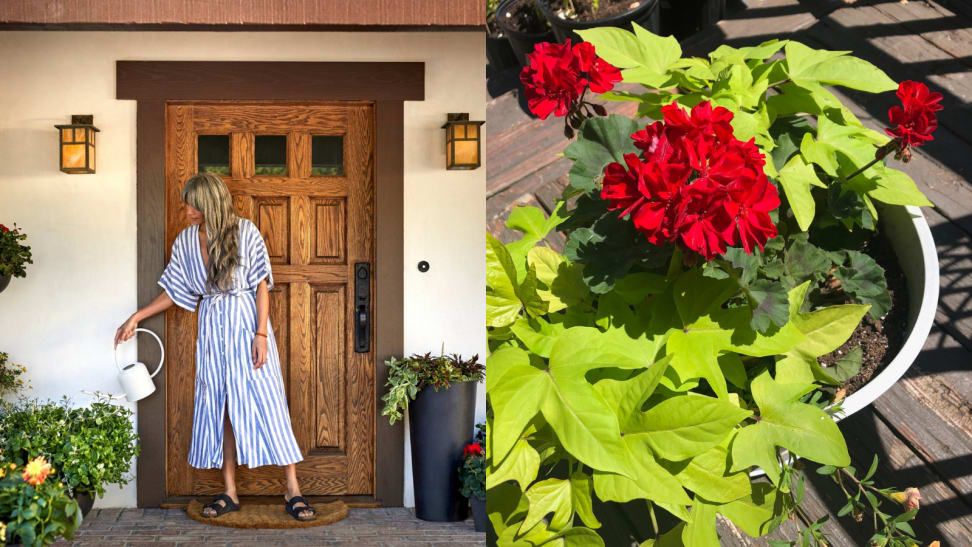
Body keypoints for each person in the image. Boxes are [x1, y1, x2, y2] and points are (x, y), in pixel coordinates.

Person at [115, 171, 317, 521]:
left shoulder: (245, 232)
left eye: (193, 205)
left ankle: (292, 488)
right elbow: (175, 291)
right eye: (186, 205)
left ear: (210, 203)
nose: (188, 211)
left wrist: (261, 335)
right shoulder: (185, 242)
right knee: (220, 405)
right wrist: (137, 316)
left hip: (246, 326)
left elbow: (260, 285)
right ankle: (229, 491)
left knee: (268, 401)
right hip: (211, 333)